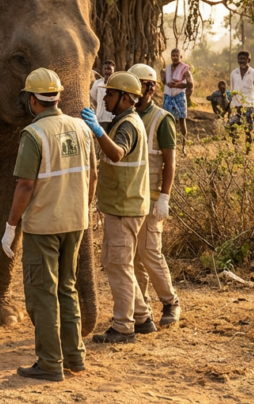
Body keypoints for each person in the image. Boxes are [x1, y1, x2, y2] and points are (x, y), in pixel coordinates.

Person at [2, 69, 97, 382]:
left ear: (32, 100)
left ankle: (49, 363)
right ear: (58, 96)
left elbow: (25, 186)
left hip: (44, 226)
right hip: (75, 222)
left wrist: (10, 225)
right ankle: (75, 358)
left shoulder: (34, 134)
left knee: (42, 294)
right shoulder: (82, 128)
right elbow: (92, 177)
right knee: (66, 289)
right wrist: (81, 207)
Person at [81, 71, 153, 344]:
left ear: (125, 98)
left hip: (125, 207)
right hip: (125, 204)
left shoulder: (127, 126)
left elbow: (117, 153)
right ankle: (142, 317)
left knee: (119, 266)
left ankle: (124, 327)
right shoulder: (126, 120)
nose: (105, 98)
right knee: (120, 264)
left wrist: (98, 132)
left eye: (110, 94)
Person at [128, 64, 182, 328]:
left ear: (151, 88)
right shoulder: (126, 117)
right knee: (133, 257)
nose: (136, 91)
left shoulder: (162, 119)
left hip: (150, 199)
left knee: (150, 253)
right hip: (130, 199)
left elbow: (170, 163)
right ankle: (142, 309)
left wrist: (164, 198)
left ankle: (170, 302)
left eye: (141, 85)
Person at [161, 48, 193, 153]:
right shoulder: (168, 68)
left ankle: (184, 145)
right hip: (168, 95)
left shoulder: (185, 68)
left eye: (176, 56)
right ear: (171, 56)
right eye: (173, 55)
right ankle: (171, 145)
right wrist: (162, 74)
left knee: (182, 120)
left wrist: (177, 85)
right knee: (170, 120)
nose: (174, 57)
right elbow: (164, 81)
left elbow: (190, 84)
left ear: (180, 57)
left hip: (179, 95)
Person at [228, 51, 254, 145]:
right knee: (232, 126)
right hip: (236, 104)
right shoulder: (234, 73)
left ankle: (248, 148)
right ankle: (236, 147)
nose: (242, 61)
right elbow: (232, 88)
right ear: (237, 60)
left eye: (244, 59)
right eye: (240, 59)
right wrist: (233, 103)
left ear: (249, 60)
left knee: (248, 129)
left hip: (249, 104)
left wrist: (252, 101)